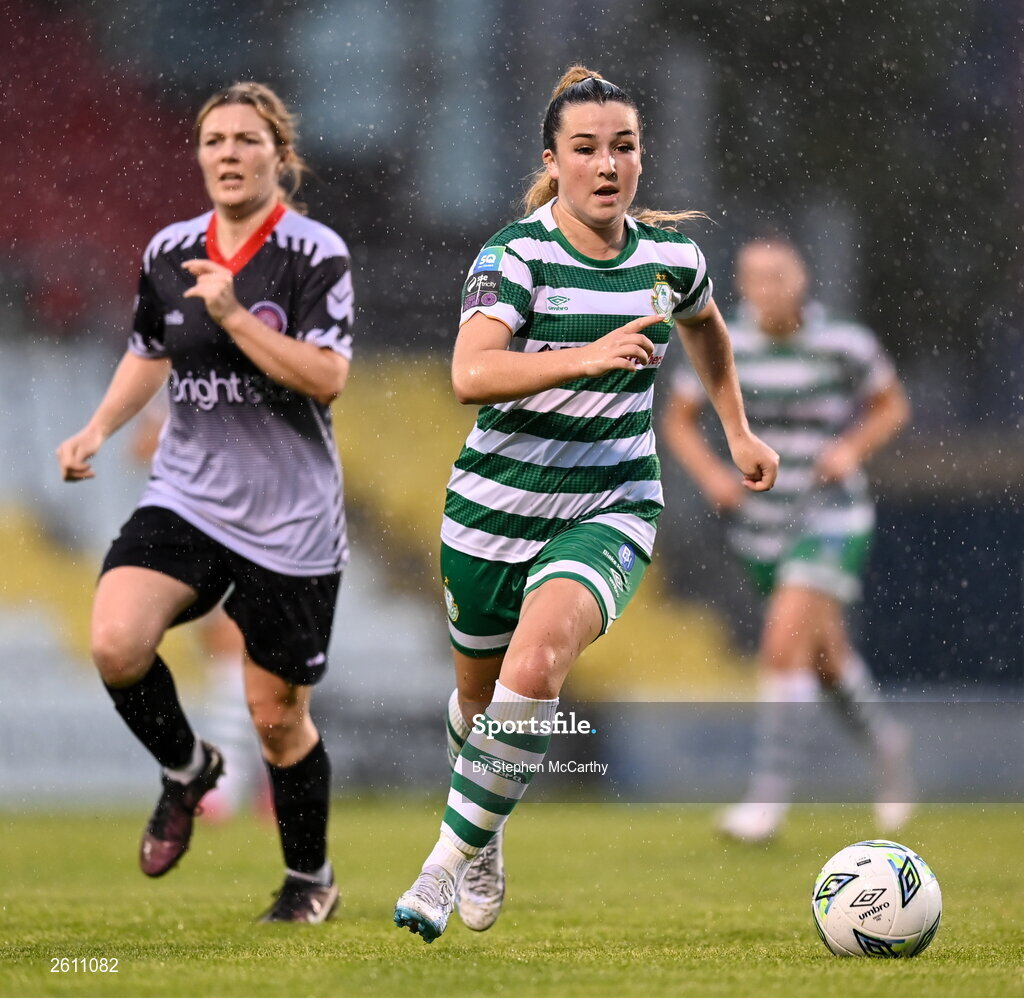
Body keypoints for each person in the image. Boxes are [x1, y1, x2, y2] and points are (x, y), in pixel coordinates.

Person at [392, 66, 779, 944]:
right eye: (587, 149)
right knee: (479, 702)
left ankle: (443, 866)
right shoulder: (514, 255)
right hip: (492, 512)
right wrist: (583, 356)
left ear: (642, 158)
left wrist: (739, 432)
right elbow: (470, 373)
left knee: (537, 671)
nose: (608, 165)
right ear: (552, 161)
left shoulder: (671, 259)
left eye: (625, 147)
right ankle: (485, 836)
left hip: (610, 504)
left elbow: (708, 327)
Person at [55, 82, 355, 922]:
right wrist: (98, 430)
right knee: (116, 641)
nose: (228, 153)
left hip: (290, 521)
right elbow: (148, 351)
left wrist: (234, 314)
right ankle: (189, 770)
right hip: (188, 498)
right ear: (199, 155)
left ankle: (310, 880)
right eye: (214, 140)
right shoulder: (170, 248)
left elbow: (327, 376)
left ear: (279, 157)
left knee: (277, 721)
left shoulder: (312, 253)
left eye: (247, 140)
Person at [661, 235, 913, 842]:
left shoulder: (844, 343)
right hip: (761, 524)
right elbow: (678, 417)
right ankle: (888, 746)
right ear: (740, 287)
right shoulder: (728, 341)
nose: (767, 287)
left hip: (831, 515)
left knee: (780, 646)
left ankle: (766, 802)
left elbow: (890, 405)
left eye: (778, 275)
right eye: (755, 277)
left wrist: (850, 448)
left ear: (802, 279)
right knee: (824, 662)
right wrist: (713, 476)